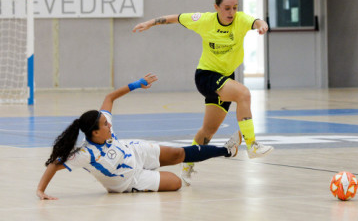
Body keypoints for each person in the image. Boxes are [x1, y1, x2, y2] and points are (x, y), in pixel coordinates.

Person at [132, 0, 273, 186]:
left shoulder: (240, 19)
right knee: (243, 93)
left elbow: (256, 21)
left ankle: (187, 164)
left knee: (207, 132)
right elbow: (175, 18)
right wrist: (150, 22)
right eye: (226, 8)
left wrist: (263, 25)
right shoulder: (204, 20)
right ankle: (252, 145)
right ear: (216, 8)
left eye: (234, 8)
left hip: (225, 77)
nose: (231, 12)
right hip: (206, 76)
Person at [36, 73, 242, 200]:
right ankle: (147, 179)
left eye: (107, 122)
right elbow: (54, 164)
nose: (109, 124)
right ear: (94, 133)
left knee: (179, 153)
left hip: (133, 151)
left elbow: (109, 97)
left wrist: (137, 84)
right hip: (131, 180)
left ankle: (227, 151)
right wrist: (40, 191)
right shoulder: (85, 154)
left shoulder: (102, 128)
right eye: (105, 124)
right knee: (177, 183)